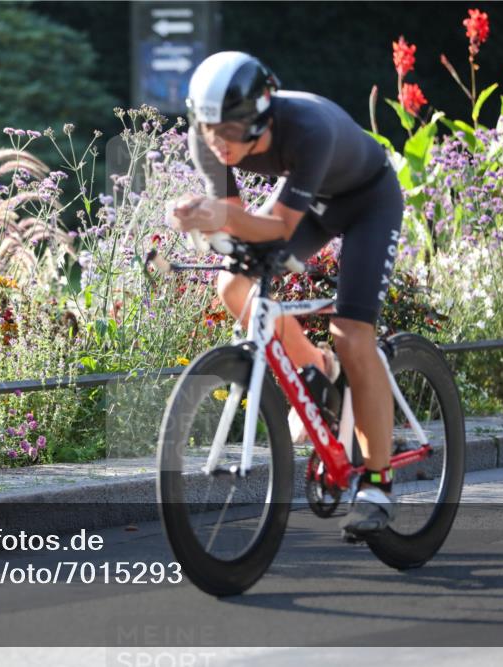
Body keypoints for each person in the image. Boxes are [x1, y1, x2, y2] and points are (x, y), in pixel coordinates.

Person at [167, 51, 403, 538]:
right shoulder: (207, 137)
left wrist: (221, 215)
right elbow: (238, 227)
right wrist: (203, 219)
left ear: (260, 116)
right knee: (232, 283)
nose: (219, 143)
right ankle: (316, 370)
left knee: (352, 333)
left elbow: (275, 227)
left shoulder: (308, 128)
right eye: (209, 129)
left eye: (231, 132)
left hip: (368, 201)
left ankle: (377, 484)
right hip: (313, 203)